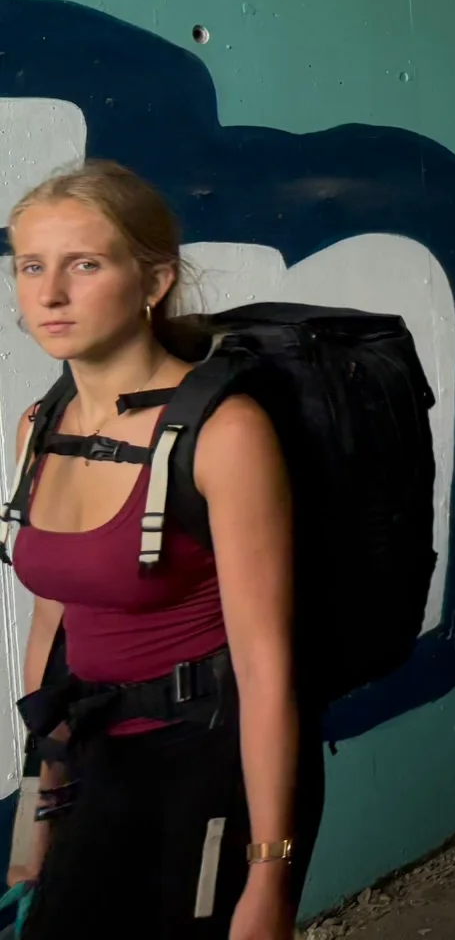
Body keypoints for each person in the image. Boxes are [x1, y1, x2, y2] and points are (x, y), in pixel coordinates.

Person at [7, 162, 318, 939]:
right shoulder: (38, 428)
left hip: (208, 763)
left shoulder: (225, 433)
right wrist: (39, 811)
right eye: (31, 267)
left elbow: (266, 667)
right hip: (98, 761)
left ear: (153, 282)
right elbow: (53, 625)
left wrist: (269, 877)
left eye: (84, 265)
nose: (50, 294)